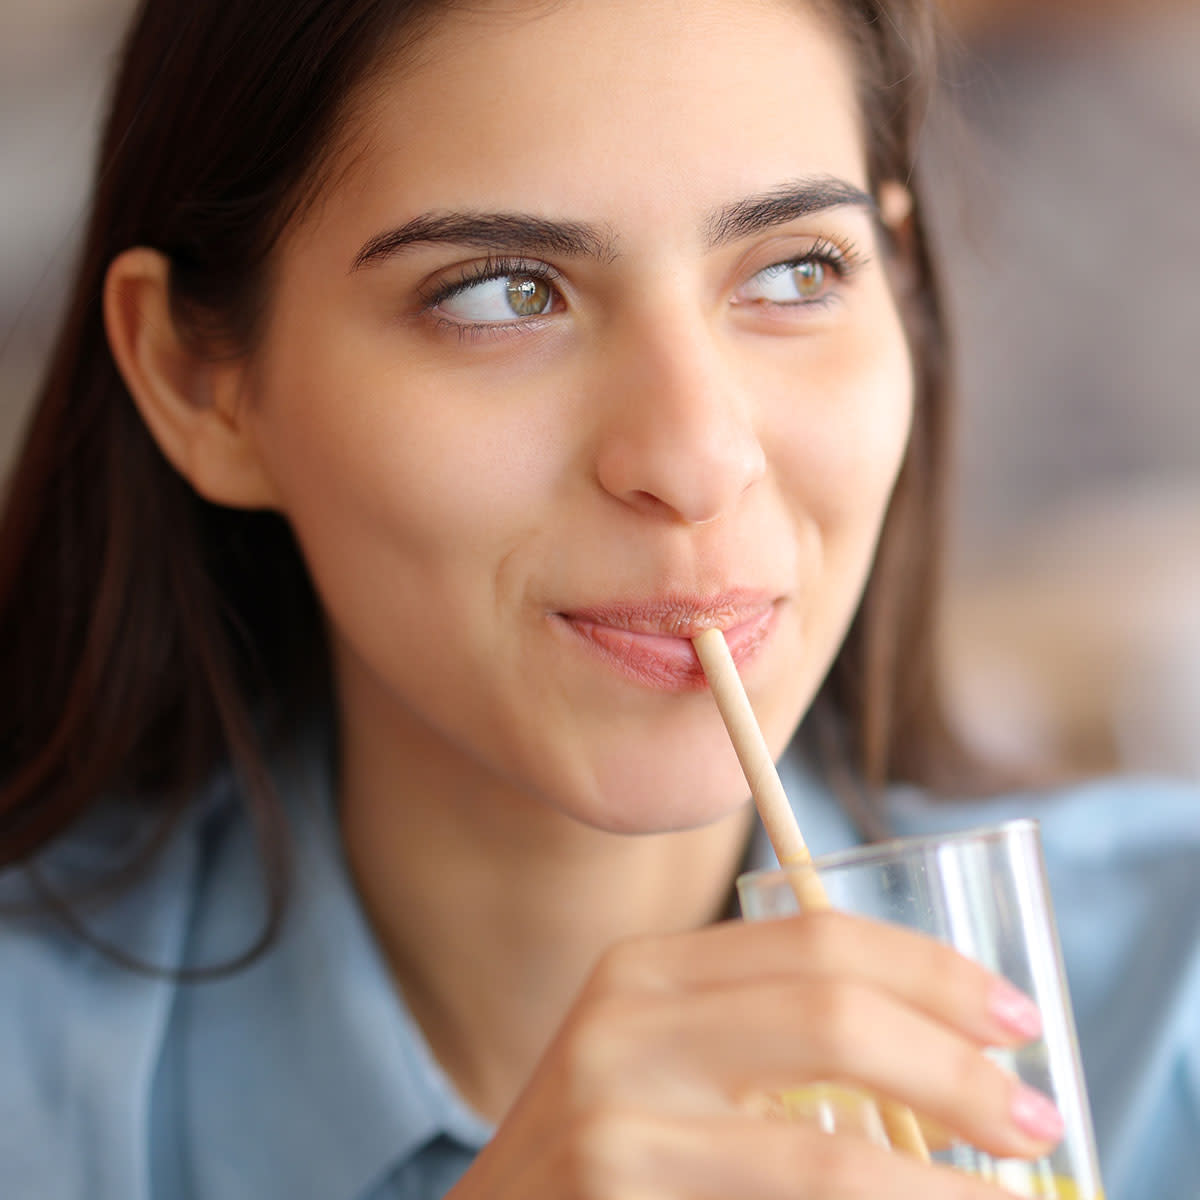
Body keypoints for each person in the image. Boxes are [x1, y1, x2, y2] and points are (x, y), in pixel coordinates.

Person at [0, 1, 1194, 1197]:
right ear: (199, 378)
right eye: (503, 294)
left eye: (795, 269)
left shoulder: (1170, 1010)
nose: (693, 458)